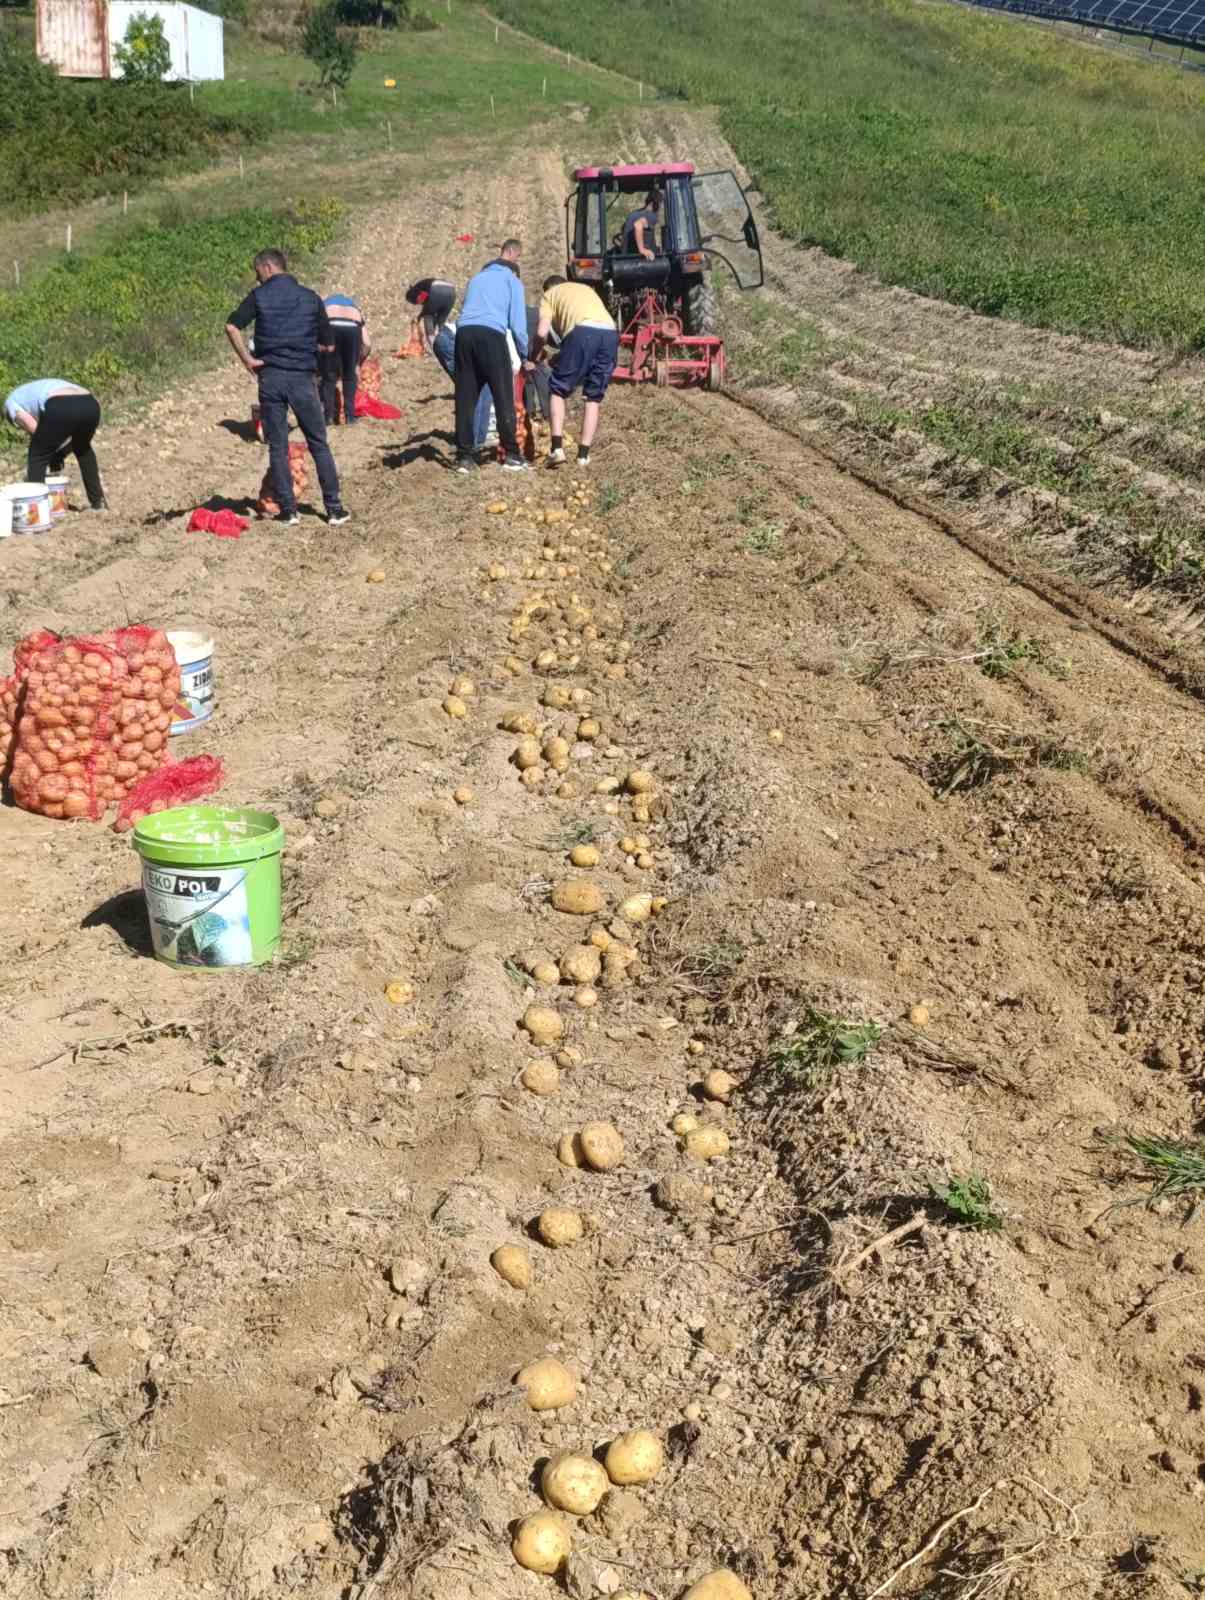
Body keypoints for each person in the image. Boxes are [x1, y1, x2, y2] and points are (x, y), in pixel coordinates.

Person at [225, 248, 350, 527]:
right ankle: (334, 509)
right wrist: (308, 349)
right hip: (302, 379)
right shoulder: (310, 298)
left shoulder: (259, 296)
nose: (257, 279)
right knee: (318, 443)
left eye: (258, 272)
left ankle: (288, 511)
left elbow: (232, 327)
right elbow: (329, 345)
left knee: (278, 446)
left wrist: (248, 361)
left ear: (268, 268)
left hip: (270, 378)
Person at [452, 239, 529, 474]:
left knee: (466, 398)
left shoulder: (476, 279)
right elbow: (518, 324)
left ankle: (464, 457)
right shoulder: (512, 280)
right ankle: (512, 455)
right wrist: (524, 354)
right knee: (503, 394)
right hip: (491, 335)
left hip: (464, 335)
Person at [529, 276, 618, 469]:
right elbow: (592, 331)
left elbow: (542, 333)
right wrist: (562, 356)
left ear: (548, 288)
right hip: (610, 333)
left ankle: (556, 449)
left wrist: (534, 355)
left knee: (557, 390)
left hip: (582, 332)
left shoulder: (550, 295)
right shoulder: (585, 289)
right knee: (593, 397)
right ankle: (583, 457)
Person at [3, 379, 107, 511]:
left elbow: (34, 429)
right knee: (83, 448)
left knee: (37, 455)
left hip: (61, 404)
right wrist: (60, 454)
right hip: (91, 404)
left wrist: (47, 454)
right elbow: (65, 439)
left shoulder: (10, 404)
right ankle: (99, 504)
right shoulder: (29, 392)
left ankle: (38, 511)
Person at [320, 291, 370, 426]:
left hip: (331, 324)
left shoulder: (325, 306)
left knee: (329, 376)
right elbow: (367, 344)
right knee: (349, 376)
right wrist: (357, 363)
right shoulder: (355, 309)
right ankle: (350, 417)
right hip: (353, 327)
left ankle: (328, 418)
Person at [405, 277, 456, 349]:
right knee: (441, 322)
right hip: (452, 292)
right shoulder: (424, 286)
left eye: (414, 302)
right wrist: (421, 315)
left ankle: (434, 347)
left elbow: (425, 303)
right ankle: (450, 345)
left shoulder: (414, 292)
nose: (417, 304)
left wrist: (420, 317)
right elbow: (428, 304)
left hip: (437, 289)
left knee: (428, 317)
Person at [622, 191, 662, 261]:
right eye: (660, 204)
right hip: (638, 260)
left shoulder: (633, 214)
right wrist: (642, 249)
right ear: (653, 203)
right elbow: (638, 225)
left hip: (625, 257)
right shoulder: (651, 215)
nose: (660, 207)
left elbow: (624, 229)